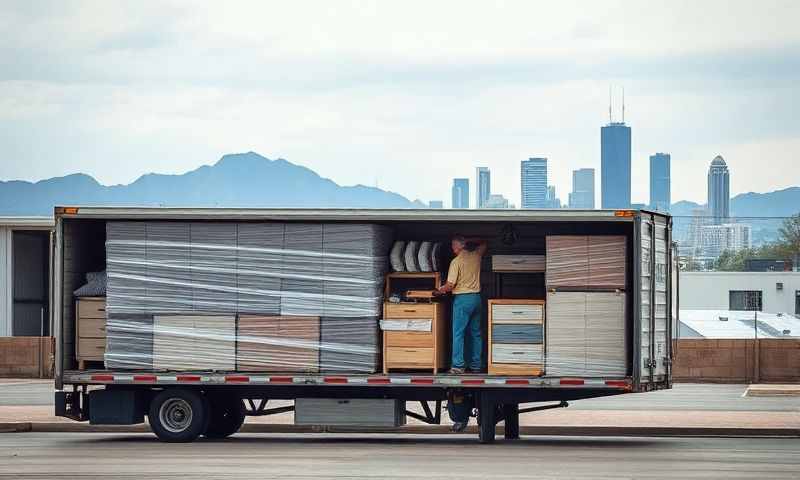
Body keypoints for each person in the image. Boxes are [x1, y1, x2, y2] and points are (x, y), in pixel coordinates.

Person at [435, 235, 487, 375]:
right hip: (476, 298)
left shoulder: (456, 262)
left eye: (453, 246)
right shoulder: (476, 255)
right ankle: (476, 366)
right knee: (475, 333)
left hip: (463, 299)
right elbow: (483, 243)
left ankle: (458, 366)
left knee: (458, 333)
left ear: (458, 247)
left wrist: (440, 290)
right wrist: (469, 241)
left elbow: (450, 285)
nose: (452, 249)